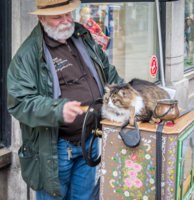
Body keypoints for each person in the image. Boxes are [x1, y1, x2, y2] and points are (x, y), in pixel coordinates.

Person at [7, 0, 124, 200]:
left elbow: (108, 72)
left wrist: (127, 94)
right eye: (57, 17)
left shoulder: (82, 36)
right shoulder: (27, 55)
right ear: (41, 18)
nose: (66, 21)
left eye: (68, 14)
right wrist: (57, 110)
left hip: (89, 140)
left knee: (84, 197)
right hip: (55, 148)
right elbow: (19, 102)